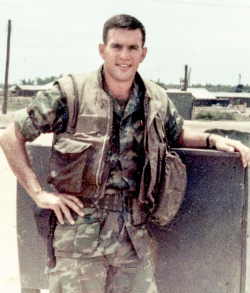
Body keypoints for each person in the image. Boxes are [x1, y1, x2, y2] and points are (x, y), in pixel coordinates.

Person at [1, 14, 250, 293]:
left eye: (132, 48)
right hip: (78, 240)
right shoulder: (71, 93)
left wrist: (213, 139)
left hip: (133, 240)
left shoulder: (155, 99)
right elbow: (11, 135)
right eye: (116, 46)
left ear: (143, 54)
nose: (124, 55)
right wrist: (38, 193)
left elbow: (176, 133)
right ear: (102, 49)